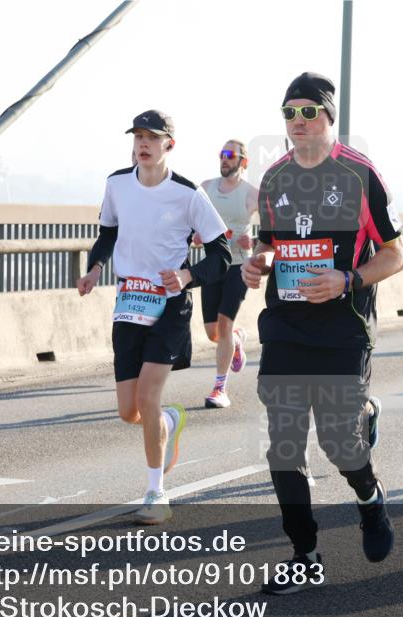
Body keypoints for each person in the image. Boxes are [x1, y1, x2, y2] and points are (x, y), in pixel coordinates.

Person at [243, 72, 403, 594]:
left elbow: (396, 254)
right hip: (287, 327)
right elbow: (267, 245)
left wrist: (347, 279)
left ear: (330, 116)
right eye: (289, 113)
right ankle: (305, 554)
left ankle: (369, 497)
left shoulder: (360, 175)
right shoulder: (273, 180)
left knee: (340, 444)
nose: (297, 122)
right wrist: (258, 264)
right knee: (284, 447)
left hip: (343, 328)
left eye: (308, 111)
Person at [77, 110, 231, 525]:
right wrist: (94, 268)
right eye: (138, 136)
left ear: (169, 145)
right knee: (130, 411)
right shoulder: (117, 184)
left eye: (152, 137)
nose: (142, 143)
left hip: (169, 305)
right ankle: (168, 421)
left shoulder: (188, 194)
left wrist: (187, 275)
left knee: (147, 395)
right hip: (128, 301)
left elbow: (222, 255)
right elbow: (108, 232)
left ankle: (155, 492)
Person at [196, 140, 259, 408]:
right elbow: (189, 221)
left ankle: (220, 388)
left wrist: (254, 242)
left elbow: (274, 231)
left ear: (243, 162)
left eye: (230, 155)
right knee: (213, 332)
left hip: (238, 266)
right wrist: (196, 235)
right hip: (212, 263)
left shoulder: (252, 193)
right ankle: (236, 339)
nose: (224, 159)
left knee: (223, 325)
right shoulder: (206, 188)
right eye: (222, 154)